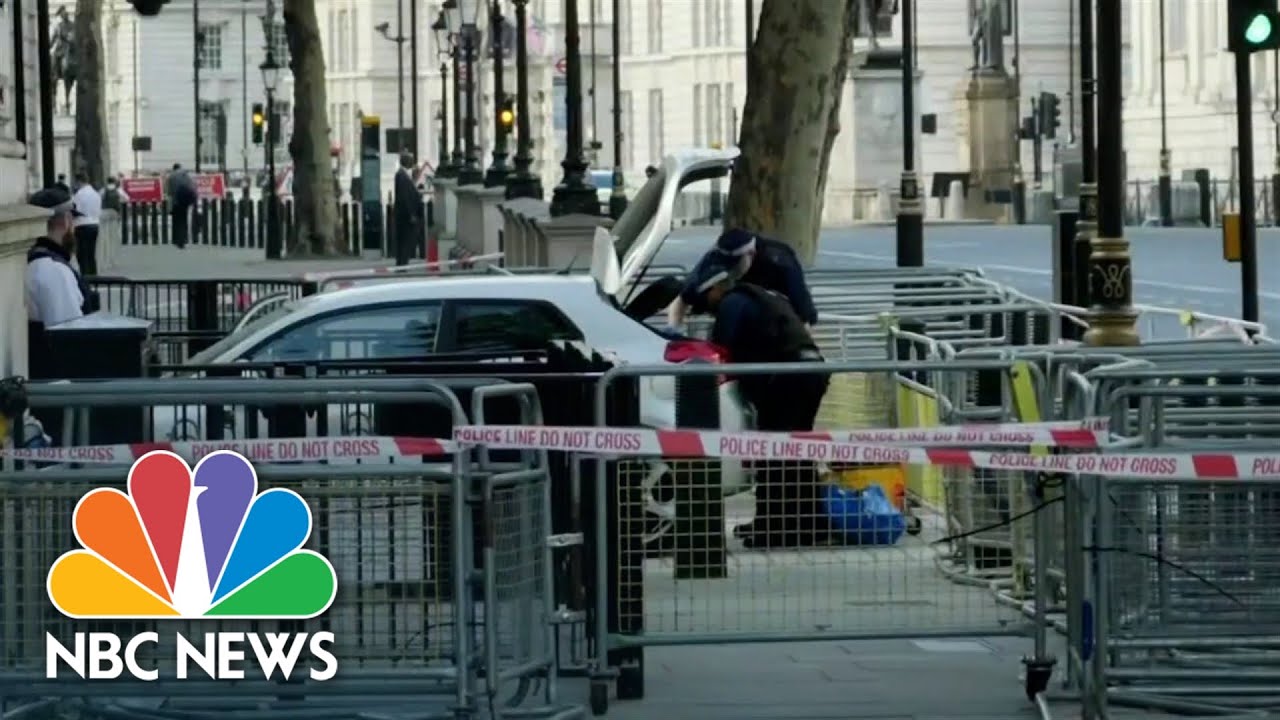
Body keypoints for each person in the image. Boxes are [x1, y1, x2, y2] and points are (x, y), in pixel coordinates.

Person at [690, 257, 831, 549]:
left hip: (787, 381)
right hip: (810, 372)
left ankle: (774, 529)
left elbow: (720, 350)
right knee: (798, 453)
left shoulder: (731, 304)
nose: (708, 307)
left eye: (706, 299)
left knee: (773, 454)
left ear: (716, 288)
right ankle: (808, 524)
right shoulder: (761, 295)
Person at [666, 227, 817, 331]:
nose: (728, 270)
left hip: (774, 326)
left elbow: (804, 314)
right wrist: (674, 329)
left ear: (750, 254)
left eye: (734, 265)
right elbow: (684, 297)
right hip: (732, 325)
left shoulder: (780, 261)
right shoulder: (717, 256)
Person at [393, 151, 424, 265]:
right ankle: (402, 264)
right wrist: (411, 214)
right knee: (404, 241)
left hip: (406, 215)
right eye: (410, 160)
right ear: (405, 161)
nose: (412, 162)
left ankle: (403, 263)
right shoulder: (401, 175)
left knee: (406, 241)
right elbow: (404, 197)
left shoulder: (405, 175)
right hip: (405, 216)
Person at [70, 172, 101, 276]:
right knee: (91, 253)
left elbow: (75, 209)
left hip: (82, 225)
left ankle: (85, 276)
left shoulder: (79, 194)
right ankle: (94, 274)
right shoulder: (96, 194)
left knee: (82, 254)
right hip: (94, 224)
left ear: (79, 181)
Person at [167, 163, 197, 248]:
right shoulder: (186, 175)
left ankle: (177, 240)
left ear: (173, 168)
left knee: (177, 221)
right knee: (184, 220)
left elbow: (169, 192)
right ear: (180, 168)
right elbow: (193, 186)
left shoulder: (171, 177)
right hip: (186, 201)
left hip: (176, 201)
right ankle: (184, 239)